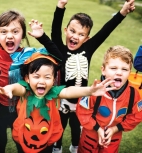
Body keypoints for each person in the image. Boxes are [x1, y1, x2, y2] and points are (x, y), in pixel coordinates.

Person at [0, 10, 62, 153]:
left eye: (15, 31)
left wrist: (42, 37)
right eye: (3, 32)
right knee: (0, 140)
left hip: (21, 107)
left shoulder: (30, 56)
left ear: (22, 34)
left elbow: (59, 59)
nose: (9, 36)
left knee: (21, 140)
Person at [0, 52, 115, 153]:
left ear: (53, 80)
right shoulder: (26, 90)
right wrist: (9, 88)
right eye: (36, 76)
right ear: (27, 79)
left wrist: (89, 91)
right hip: (23, 135)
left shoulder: (53, 93)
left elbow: (68, 91)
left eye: (47, 77)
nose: (42, 81)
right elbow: (18, 88)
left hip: (47, 137)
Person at [51, 0, 135, 152]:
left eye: (81, 34)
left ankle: (75, 146)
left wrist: (122, 12)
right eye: (72, 31)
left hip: (82, 102)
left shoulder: (87, 49)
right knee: (59, 126)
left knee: (77, 126)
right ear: (66, 30)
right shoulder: (60, 50)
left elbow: (105, 30)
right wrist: (60, 7)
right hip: (62, 99)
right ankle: (57, 147)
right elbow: (54, 32)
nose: (75, 36)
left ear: (87, 39)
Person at [76, 45, 142, 152]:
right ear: (103, 70)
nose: (119, 73)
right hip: (90, 135)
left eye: (124, 69)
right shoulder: (94, 91)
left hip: (114, 137)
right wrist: (97, 128)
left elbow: (136, 116)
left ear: (130, 72)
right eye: (113, 68)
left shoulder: (134, 95)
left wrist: (115, 129)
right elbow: (83, 112)